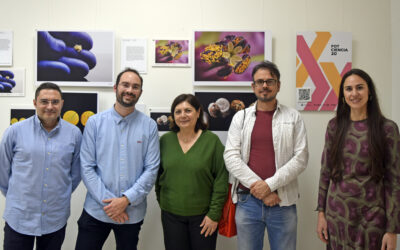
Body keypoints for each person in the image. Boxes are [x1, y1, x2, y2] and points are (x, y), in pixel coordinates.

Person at [224, 61, 309, 250]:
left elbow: (301, 158)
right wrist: (262, 191)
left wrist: (270, 186)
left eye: (270, 81)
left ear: (278, 85)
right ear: (253, 86)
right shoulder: (241, 117)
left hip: (283, 201)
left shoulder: (293, 117)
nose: (265, 86)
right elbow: (231, 157)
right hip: (247, 202)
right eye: (260, 82)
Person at [75, 68, 160, 250]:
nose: (129, 90)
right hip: (97, 211)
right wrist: (111, 204)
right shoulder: (95, 123)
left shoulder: (150, 126)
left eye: (135, 87)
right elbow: (87, 166)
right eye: (125, 84)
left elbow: (151, 169)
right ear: (115, 87)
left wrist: (125, 200)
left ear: (140, 92)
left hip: (131, 212)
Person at [316, 69, 400, 250]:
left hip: (372, 218)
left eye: (360, 88)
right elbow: (325, 172)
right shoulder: (335, 126)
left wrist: (392, 230)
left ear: (369, 92)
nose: (354, 93)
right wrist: (321, 214)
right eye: (348, 89)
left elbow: (394, 182)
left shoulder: (387, 129)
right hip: (337, 216)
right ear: (343, 94)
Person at [0, 82, 82, 250]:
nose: (50, 106)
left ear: (62, 104)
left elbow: (75, 174)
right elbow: (2, 170)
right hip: (19, 217)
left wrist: (60, 193)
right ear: (35, 103)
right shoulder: (14, 131)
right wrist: (18, 197)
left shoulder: (74, 134)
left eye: (55, 102)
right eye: (44, 101)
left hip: (55, 218)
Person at [155, 94, 228, 250]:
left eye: (188, 110)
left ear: (198, 112)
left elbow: (221, 179)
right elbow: (157, 177)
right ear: (173, 116)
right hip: (171, 216)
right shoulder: (165, 141)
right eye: (178, 111)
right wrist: (164, 203)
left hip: (204, 218)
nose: (183, 115)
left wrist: (214, 214)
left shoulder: (212, 142)